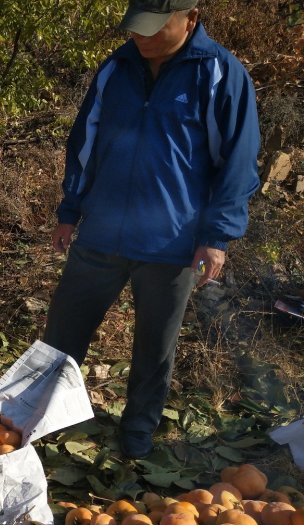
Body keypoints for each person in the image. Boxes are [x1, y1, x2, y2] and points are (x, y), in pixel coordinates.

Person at [43, 0, 260, 458]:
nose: (142, 39)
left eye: (155, 29)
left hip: (172, 242)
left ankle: (136, 433)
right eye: (136, 29)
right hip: (101, 232)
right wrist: (70, 209)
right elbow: (85, 140)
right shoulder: (116, 67)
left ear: (191, 19)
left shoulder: (220, 73)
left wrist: (216, 236)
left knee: (154, 349)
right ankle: (39, 417)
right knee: (62, 335)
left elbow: (237, 164)